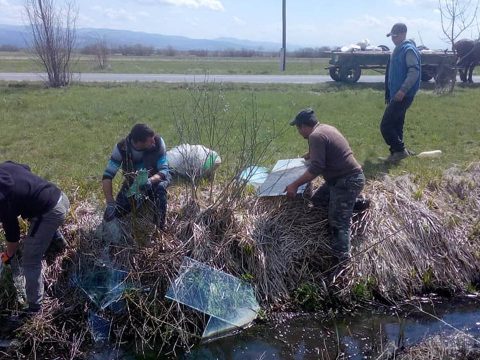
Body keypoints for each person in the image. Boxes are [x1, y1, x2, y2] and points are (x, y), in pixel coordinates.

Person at [284, 108, 366, 263]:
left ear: (303, 126)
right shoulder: (326, 128)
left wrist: (294, 185)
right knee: (318, 202)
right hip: (341, 180)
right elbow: (321, 154)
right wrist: (306, 157)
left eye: (298, 128)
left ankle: (341, 260)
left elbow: (316, 168)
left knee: (338, 222)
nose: (299, 132)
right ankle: (355, 204)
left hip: (347, 182)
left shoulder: (316, 136)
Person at [0, 161, 70, 313]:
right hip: (60, 197)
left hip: (51, 213)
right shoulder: (5, 167)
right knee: (36, 213)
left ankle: (34, 307)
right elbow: (26, 168)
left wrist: (8, 255)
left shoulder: (2, 199)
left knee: (30, 260)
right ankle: (58, 243)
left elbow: (13, 236)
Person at [102, 123, 171, 229]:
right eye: (150, 140)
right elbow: (107, 176)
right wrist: (110, 202)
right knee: (119, 211)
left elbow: (164, 170)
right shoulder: (122, 148)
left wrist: (149, 181)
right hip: (134, 182)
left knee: (160, 191)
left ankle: (160, 227)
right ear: (139, 143)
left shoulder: (158, 143)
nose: (154, 141)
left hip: (157, 178)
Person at [381, 23, 421, 162]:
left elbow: (414, 72)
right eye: (391, 36)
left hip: (403, 95)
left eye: (395, 36)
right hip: (396, 94)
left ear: (403, 34)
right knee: (397, 123)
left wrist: (403, 90)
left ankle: (399, 150)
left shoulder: (408, 50)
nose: (393, 39)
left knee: (385, 125)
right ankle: (397, 153)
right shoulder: (398, 49)